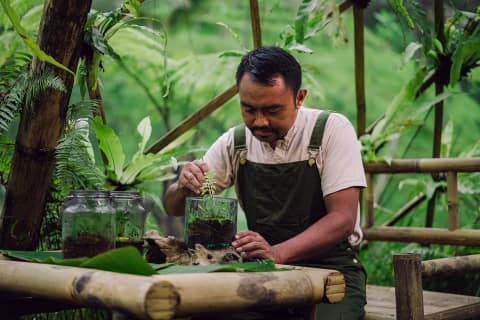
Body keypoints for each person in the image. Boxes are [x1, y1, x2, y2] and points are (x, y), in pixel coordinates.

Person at [163, 46, 367, 319]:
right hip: (264, 271)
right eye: (249, 109)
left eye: (272, 110)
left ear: (299, 98)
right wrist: (183, 187)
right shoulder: (235, 143)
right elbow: (173, 207)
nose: (260, 121)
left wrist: (277, 253)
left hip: (331, 272)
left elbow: (342, 219)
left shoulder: (330, 131)